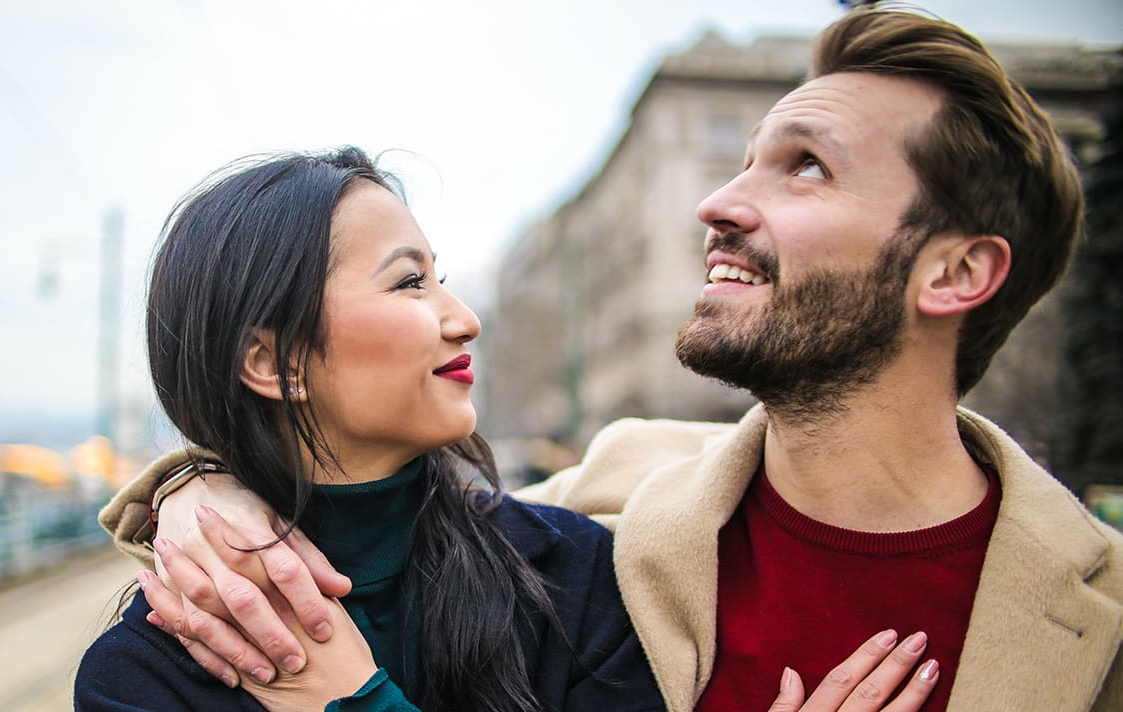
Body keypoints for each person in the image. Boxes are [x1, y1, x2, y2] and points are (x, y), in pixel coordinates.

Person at [106, 6, 1123, 712]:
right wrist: (203, 487)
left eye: (806, 166)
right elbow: (366, 493)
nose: (716, 203)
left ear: (955, 273)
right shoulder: (614, 511)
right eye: (741, 157)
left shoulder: (1104, 617)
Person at [74, 147, 668, 711]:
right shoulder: (144, 674)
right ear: (272, 362)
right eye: (410, 282)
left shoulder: (572, 573)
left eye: (439, 279)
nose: (465, 320)